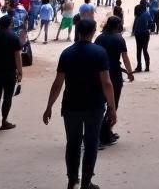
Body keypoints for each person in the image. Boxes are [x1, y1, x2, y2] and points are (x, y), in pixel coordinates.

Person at [43, 18, 117, 189]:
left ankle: (72, 179)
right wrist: (112, 108)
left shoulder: (67, 53)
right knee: (91, 144)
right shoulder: (100, 53)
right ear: (93, 32)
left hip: (71, 106)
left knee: (73, 143)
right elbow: (106, 82)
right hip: (94, 106)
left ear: (77, 31)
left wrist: (49, 107)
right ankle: (86, 181)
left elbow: (58, 83)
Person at [94, 15, 134, 147]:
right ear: (118, 25)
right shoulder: (119, 39)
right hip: (115, 75)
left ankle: (102, 133)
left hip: (99, 73)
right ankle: (103, 133)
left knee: (100, 104)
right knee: (113, 105)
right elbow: (125, 57)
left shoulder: (100, 38)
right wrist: (130, 72)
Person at [131, 2, 151, 72]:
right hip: (145, 33)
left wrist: (133, 31)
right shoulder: (147, 13)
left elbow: (135, 24)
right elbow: (151, 22)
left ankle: (139, 66)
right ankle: (147, 66)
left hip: (138, 34)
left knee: (138, 50)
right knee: (145, 50)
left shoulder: (137, 16)